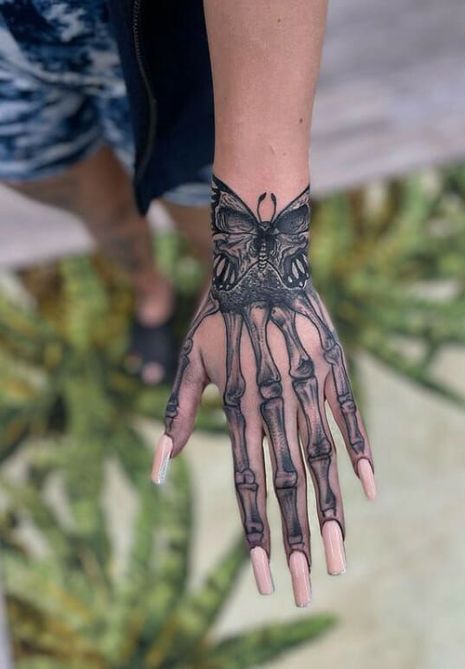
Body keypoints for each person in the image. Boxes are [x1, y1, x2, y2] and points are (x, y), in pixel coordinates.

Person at [0, 0, 377, 608]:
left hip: (167, 32)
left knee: (200, 216)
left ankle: (206, 282)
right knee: (87, 199)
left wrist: (264, 267)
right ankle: (149, 288)